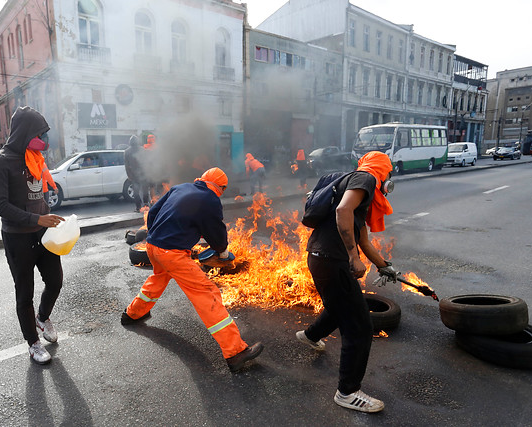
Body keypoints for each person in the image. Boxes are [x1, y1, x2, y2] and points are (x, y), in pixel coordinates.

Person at [121, 167, 264, 372]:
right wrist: (222, 252)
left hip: (153, 246)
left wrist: (155, 234)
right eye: (222, 189)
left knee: (158, 279)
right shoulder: (211, 199)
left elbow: (153, 212)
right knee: (207, 293)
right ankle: (235, 352)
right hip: (172, 253)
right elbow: (215, 231)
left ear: (202, 179)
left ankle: (132, 314)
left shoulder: (180, 188)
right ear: (220, 188)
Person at [296, 151, 398, 413]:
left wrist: (384, 266)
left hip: (321, 258)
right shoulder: (365, 179)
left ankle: (310, 335)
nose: (387, 180)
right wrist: (353, 258)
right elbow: (343, 210)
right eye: (388, 174)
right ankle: (348, 393)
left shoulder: (354, 184)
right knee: (360, 327)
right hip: (333, 261)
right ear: (383, 171)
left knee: (341, 304)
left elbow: (363, 239)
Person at [0, 106, 66, 365]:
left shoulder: (35, 157)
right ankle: (33, 343)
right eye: (38, 133)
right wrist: (37, 218)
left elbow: (39, 193)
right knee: (25, 293)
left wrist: (49, 216)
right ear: (24, 132)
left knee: (55, 281)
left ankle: (42, 318)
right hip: (18, 237)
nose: (42, 140)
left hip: (42, 233)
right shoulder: (1, 161)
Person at [123, 135, 150, 212]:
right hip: (143, 173)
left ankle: (138, 207)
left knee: (136, 192)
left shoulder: (127, 152)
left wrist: (129, 175)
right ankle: (146, 205)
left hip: (134, 175)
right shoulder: (143, 150)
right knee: (145, 190)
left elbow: (127, 166)